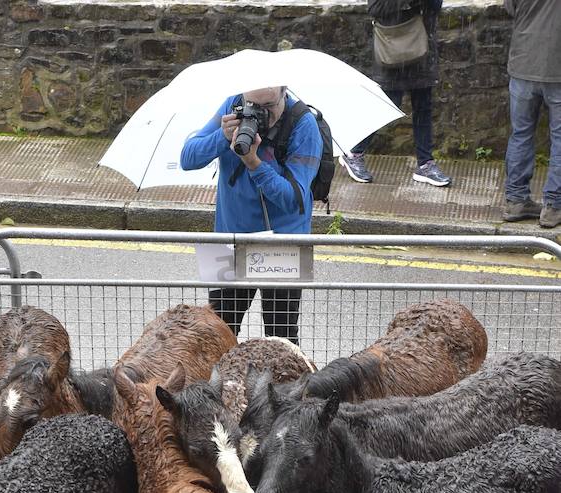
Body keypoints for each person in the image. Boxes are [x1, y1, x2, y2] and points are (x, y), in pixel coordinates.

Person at [180, 86, 323, 344]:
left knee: (282, 339)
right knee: (218, 336)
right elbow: (187, 158)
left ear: (284, 93)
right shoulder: (231, 105)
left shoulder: (304, 124)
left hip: (284, 242)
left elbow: (293, 199)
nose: (260, 115)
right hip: (230, 238)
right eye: (253, 106)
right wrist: (222, 137)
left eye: (268, 107)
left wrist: (254, 163)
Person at [342, 0, 451, 187]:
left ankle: (425, 164)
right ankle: (353, 153)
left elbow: (435, 7)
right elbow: (375, 8)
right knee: (388, 103)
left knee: (423, 107)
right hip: (394, 44)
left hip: (421, 44)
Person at [503, 0, 561, 228]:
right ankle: (554, 206)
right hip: (557, 67)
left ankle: (516, 201)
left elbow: (510, 8)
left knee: (521, 134)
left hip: (523, 62)